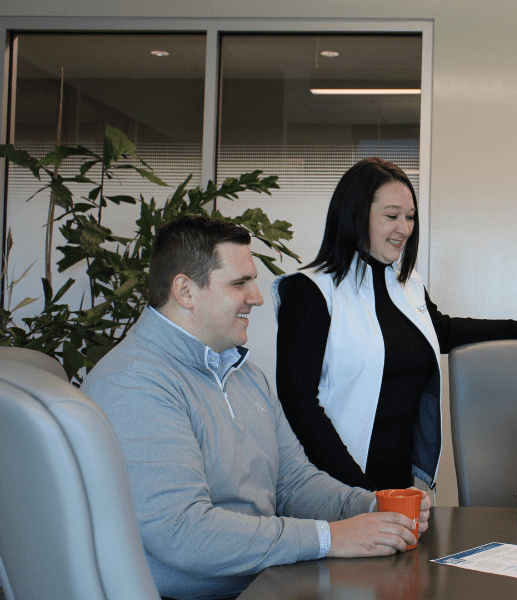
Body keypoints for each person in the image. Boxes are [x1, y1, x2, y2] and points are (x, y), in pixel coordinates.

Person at [82, 216, 430, 600]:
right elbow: (184, 533)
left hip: (266, 582)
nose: (257, 296)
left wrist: (372, 505)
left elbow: (293, 483)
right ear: (185, 290)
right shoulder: (135, 382)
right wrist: (328, 537)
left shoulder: (245, 375)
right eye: (239, 283)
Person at [272, 157, 517, 491]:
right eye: (391, 216)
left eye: (410, 217)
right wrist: (361, 491)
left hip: (399, 488)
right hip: (335, 489)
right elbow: (298, 400)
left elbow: (440, 331)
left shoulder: (405, 283)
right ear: (355, 215)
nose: (404, 228)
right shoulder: (311, 290)